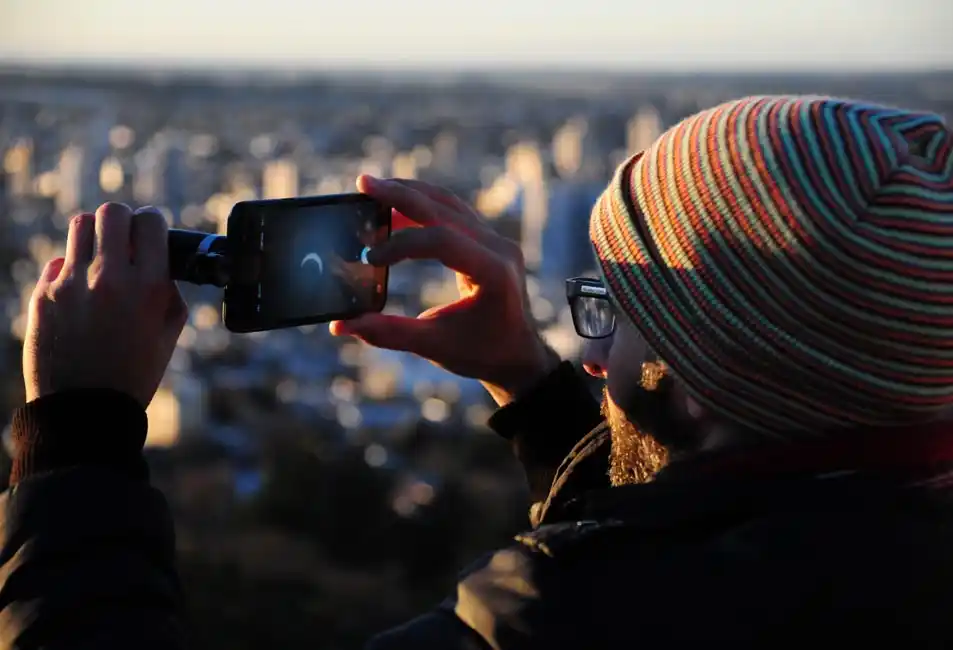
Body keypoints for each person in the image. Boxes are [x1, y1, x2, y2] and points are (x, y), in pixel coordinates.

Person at [3, 95, 953, 648]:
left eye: (613, 312)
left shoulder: (567, 629)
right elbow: (705, 532)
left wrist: (74, 441)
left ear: (700, 391)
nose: (587, 349)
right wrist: (532, 389)